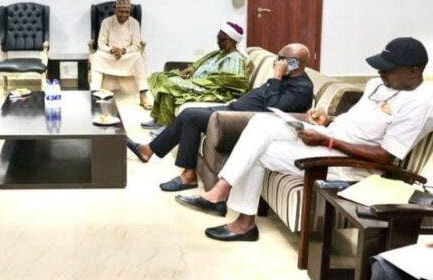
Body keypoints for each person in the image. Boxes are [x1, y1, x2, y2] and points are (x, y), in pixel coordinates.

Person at [178, 37, 432, 243]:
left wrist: (327, 142)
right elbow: (359, 124)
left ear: (413, 72)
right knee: (260, 123)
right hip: (331, 137)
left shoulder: (420, 104)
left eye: (388, 68)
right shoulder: (378, 84)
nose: (380, 71)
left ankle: (241, 220)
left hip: (349, 164)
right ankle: (223, 193)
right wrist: (327, 120)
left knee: (260, 151)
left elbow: (385, 156)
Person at [128, 43, 313, 192]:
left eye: (282, 59)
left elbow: (273, 108)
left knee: (190, 116)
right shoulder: (287, 79)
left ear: (295, 63)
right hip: (231, 110)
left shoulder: (302, 87)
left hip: (239, 121)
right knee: (188, 115)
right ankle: (153, 153)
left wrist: (277, 77)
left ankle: (182, 173)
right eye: (278, 57)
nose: (277, 62)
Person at [143, 22, 250, 128]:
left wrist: (196, 82)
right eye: (217, 38)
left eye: (222, 39)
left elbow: (229, 81)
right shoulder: (220, 53)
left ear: (233, 40)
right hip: (196, 83)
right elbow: (202, 62)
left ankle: (166, 124)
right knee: (162, 77)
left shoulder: (234, 58)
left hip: (211, 89)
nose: (218, 42)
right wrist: (193, 68)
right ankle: (159, 118)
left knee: (169, 83)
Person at [90, 0, 151, 109]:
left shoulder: (134, 23)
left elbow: (136, 45)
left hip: (126, 55)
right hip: (110, 55)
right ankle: (95, 93)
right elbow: (101, 44)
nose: (124, 15)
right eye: (121, 12)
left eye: (127, 12)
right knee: (97, 57)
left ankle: (143, 96)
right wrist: (111, 50)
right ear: (116, 10)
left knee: (138, 57)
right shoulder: (106, 22)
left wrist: (124, 51)